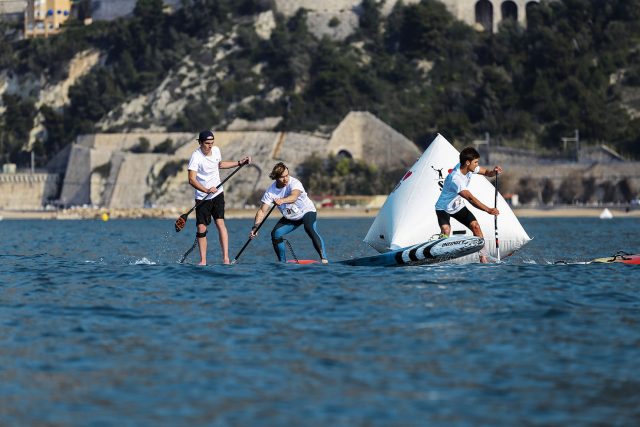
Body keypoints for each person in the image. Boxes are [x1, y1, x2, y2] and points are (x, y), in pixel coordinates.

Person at [188, 130, 250, 265]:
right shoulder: (195, 157)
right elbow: (191, 180)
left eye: (212, 143)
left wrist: (239, 162)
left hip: (217, 194)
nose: (210, 146)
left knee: (220, 223)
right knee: (201, 228)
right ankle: (203, 260)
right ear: (200, 143)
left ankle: (226, 258)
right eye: (207, 143)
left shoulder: (216, 150)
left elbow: (220, 165)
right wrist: (206, 190)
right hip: (202, 197)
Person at [249, 162, 328, 264]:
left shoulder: (295, 183)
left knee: (309, 228)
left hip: (307, 212)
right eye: (282, 177)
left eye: (287, 175)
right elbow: (262, 211)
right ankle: (282, 264)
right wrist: (255, 227)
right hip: (291, 217)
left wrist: (282, 200)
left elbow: (294, 197)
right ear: (276, 177)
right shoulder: (270, 192)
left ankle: (324, 259)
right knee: (275, 234)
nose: (286, 179)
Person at [434, 146, 502, 263]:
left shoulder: (469, 168)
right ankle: (437, 252)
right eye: (475, 162)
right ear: (467, 162)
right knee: (446, 230)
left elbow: (486, 172)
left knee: (475, 226)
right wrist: (488, 210)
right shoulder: (455, 178)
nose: (477, 165)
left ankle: (483, 258)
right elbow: (470, 198)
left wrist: (493, 172)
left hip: (457, 207)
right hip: (443, 208)